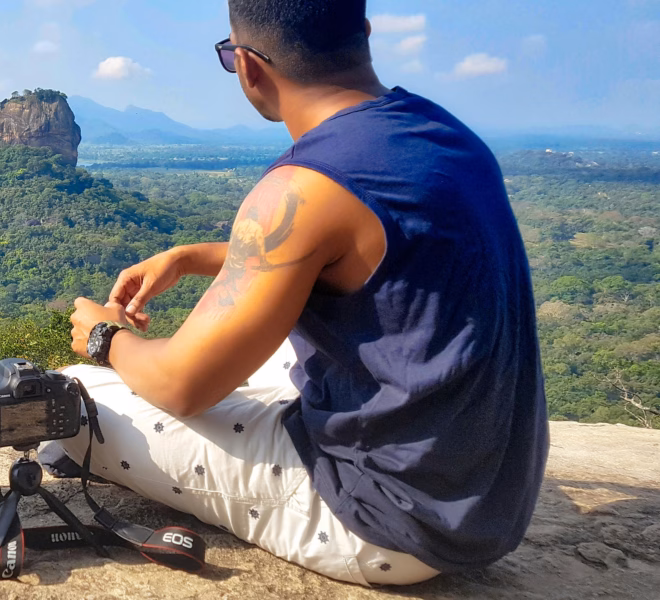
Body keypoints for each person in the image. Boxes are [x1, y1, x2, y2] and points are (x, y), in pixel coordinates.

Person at [45, 0, 549, 587]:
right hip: (482, 493)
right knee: (259, 347)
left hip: (387, 521)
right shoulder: (441, 132)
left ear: (248, 66)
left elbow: (183, 388)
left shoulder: (302, 186)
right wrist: (190, 258)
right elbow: (360, 258)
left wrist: (107, 336)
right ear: (361, 33)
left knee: (65, 406)